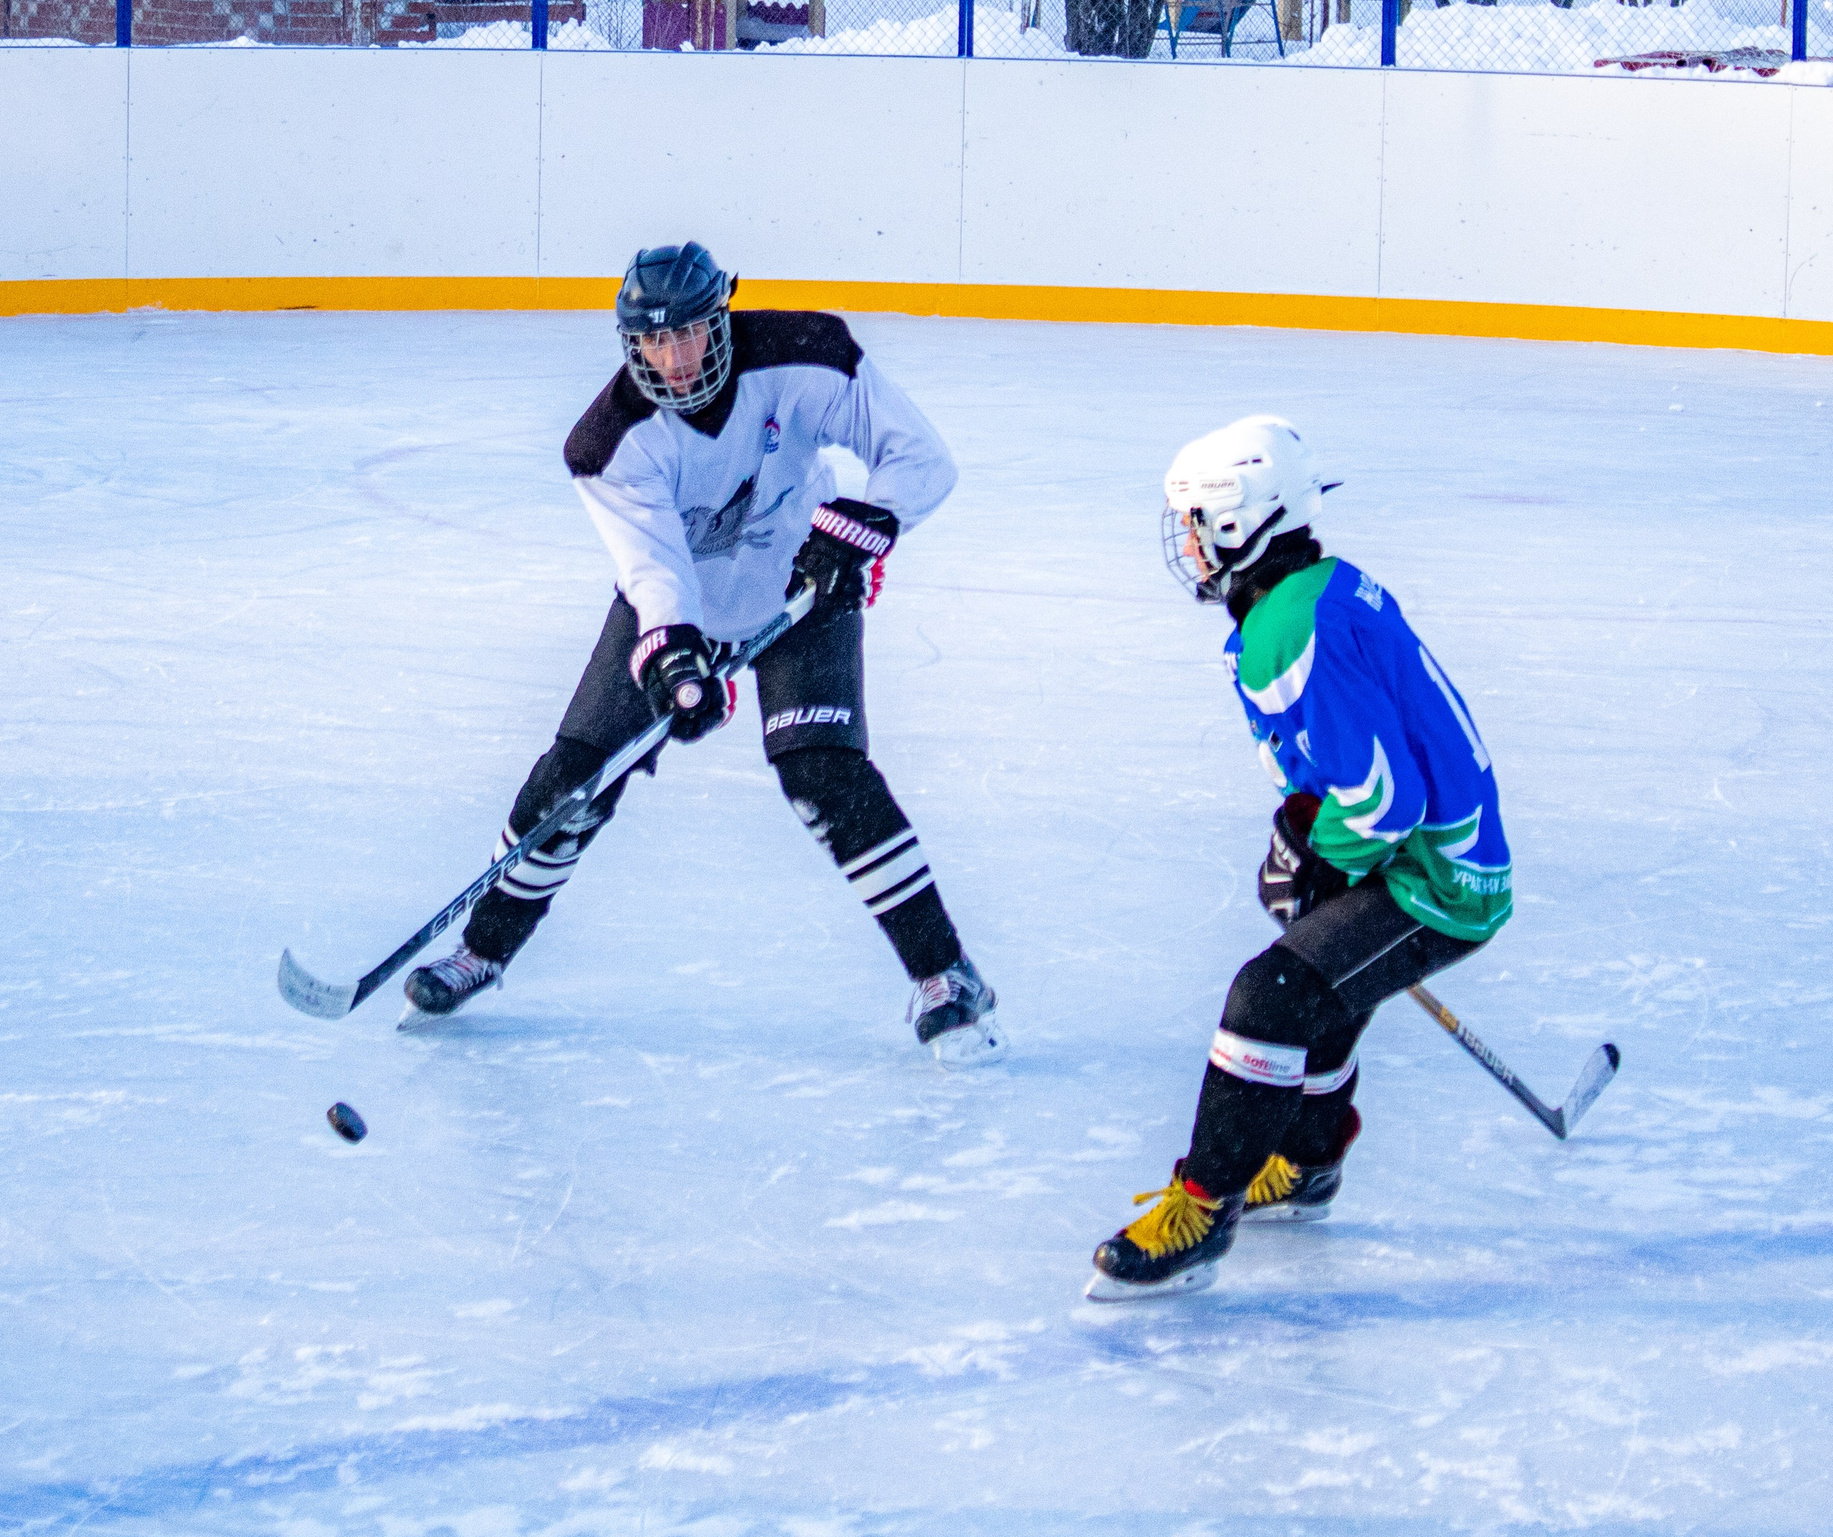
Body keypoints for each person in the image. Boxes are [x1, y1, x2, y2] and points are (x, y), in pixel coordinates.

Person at [399, 242, 1004, 1066]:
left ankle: (946, 974)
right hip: (680, 602)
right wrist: (676, 661)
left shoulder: (807, 355)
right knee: (575, 775)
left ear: (722, 318)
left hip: (804, 584)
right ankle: (483, 951)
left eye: (689, 334)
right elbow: (652, 570)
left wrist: (859, 527)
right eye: (655, 341)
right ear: (631, 344)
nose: (676, 359)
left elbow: (922, 460)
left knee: (823, 773)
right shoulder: (609, 442)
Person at [1086, 416, 1511, 1301]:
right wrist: (1311, 836)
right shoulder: (1315, 591)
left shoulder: (1289, 629)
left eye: (1201, 519)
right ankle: (1308, 1161)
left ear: (1246, 521)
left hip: (1441, 877)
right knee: (1321, 973)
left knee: (1270, 993)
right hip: (1432, 850)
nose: (1191, 542)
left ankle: (1202, 1210)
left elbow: (1387, 800)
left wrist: (1323, 853)